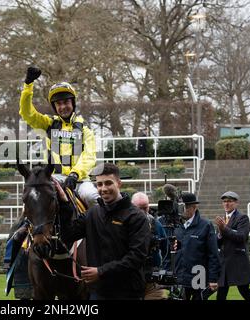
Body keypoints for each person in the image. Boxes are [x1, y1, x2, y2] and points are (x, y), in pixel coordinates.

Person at [59, 163, 151, 300]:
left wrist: (100, 272)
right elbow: (67, 235)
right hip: (98, 293)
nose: (103, 189)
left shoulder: (136, 217)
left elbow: (136, 258)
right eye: (99, 184)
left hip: (128, 293)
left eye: (108, 183)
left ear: (119, 183)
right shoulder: (92, 214)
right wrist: (65, 204)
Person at [19, 66, 99, 207]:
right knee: (33, 197)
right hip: (55, 178)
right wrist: (28, 85)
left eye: (66, 102)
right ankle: (26, 227)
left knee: (94, 198)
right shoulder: (47, 124)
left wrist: (75, 174)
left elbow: (89, 156)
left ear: (73, 103)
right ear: (55, 107)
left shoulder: (85, 130)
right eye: (59, 104)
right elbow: (27, 113)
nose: (63, 107)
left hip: (80, 181)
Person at [173, 193, 220, 300]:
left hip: (199, 277)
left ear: (194, 207)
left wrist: (213, 279)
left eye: (183, 207)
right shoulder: (176, 226)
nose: (180, 210)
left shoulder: (206, 225)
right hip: (180, 276)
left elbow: (213, 254)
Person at [214, 191, 250, 300]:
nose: (226, 204)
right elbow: (218, 243)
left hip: (238, 261)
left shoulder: (242, 218)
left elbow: (241, 237)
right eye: (224, 201)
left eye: (229, 201)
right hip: (224, 261)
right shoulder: (222, 220)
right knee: (221, 292)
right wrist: (219, 234)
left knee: (244, 290)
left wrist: (224, 229)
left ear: (236, 203)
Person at [131, 192, 168, 300]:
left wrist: (162, 270)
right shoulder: (124, 225)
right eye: (139, 208)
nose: (143, 211)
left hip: (152, 278)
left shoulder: (156, 224)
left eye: (145, 208)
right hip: (130, 277)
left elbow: (166, 248)